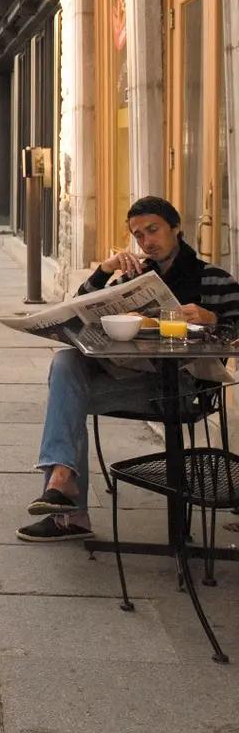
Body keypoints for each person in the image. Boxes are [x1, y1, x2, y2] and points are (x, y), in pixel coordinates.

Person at [16, 195, 239, 543]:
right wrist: (104, 271)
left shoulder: (213, 279)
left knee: (67, 398)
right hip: (132, 378)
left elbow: (235, 333)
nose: (147, 241)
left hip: (182, 388)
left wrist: (213, 320)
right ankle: (62, 477)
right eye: (139, 235)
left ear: (176, 229)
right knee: (66, 362)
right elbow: (80, 305)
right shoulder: (136, 278)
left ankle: (68, 508)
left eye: (153, 230)